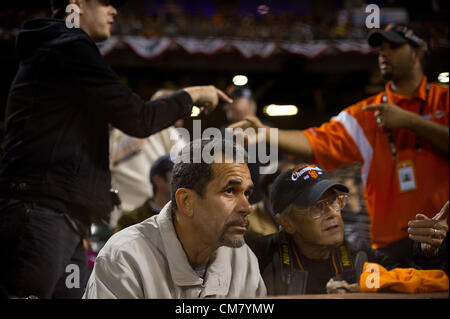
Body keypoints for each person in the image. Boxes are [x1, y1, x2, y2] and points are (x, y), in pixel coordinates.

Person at [0, 0, 232, 299]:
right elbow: (139, 117)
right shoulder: (67, 45)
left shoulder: (60, 49)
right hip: (41, 212)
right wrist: (192, 94)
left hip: (63, 216)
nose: (114, 10)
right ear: (77, 5)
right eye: (105, 2)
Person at [230, 24, 449, 265]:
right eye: (380, 49)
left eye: (394, 47)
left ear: (418, 53)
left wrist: (410, 121)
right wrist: (267, 133)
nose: (383, 54)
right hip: (391, 242)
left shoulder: (445, 100)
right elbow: (316, 140)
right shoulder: (365, 114)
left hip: (444, 232)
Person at [83, 139, 266, 298]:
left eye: (247, 193)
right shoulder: (124, 258)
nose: (247, 207)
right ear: (186, 201)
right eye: (229, 191)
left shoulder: (243, 259)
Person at [247, 163, 448, 295]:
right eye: (317, 207)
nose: (333, 213)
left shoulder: (359, 255)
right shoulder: (258, 256)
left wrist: (428, 254)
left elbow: (421, 284)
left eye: (334, 202)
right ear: (287, 222)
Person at [109, 88, 185, 220]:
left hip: (128, 212)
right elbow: (187, 163)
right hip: (149, 212)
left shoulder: (116, 133)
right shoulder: (165, 129)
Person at [114, 154, 174, 232]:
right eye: (175, 173)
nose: (181, 178)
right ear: (158, 180)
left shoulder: (186, 216)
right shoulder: (131, 221)